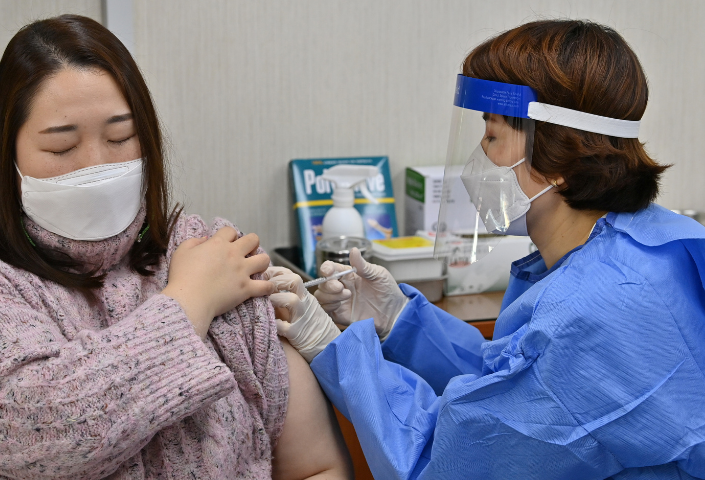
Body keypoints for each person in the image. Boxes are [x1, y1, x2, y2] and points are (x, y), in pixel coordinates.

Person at [0, 15, 351, 479]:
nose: (97, 165)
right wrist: (191, 300)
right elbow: (50, 431)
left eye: (121, 137)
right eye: (62, 148)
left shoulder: (211, 252)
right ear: (8, 155)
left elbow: (315, 465)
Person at [269, 20, 705, 479]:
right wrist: (400, 322)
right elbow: (508, 384)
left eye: (493, 136)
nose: (481, 153)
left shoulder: (589, 312)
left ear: (560, 158)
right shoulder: (650, 241)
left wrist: (334, 349)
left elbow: (443, 464)